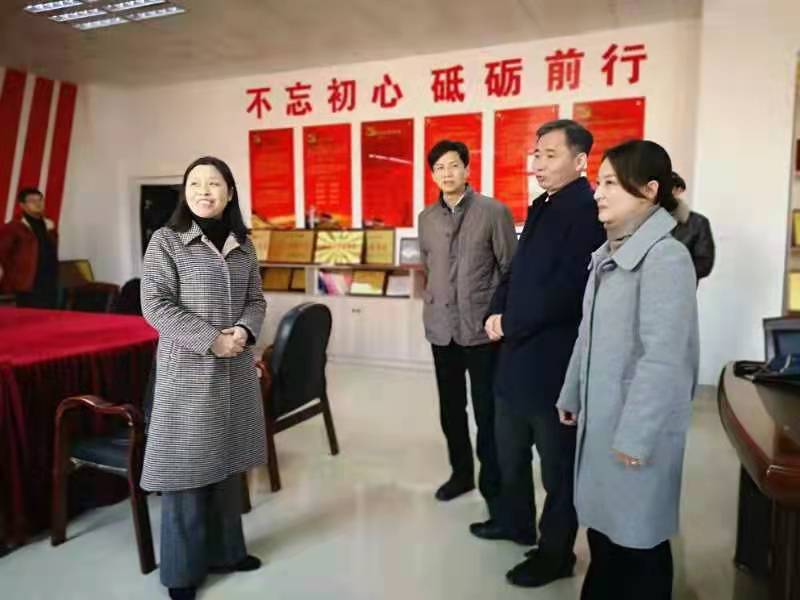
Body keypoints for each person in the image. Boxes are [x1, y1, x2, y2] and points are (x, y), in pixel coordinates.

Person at [557, 140, 699, 600]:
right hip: (603, 421)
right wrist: (571, 392)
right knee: (605, 532)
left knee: (640, 540)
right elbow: (587, 334)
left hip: (635, 427)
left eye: (611, 184)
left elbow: (664, 360)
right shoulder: (607, 255)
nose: (598, 193)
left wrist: (637, 435)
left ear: (649, 190)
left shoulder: (665, 259)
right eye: (599, 182)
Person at [470, 119, 605, 589]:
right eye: (536, 154)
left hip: (552, 364)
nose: (538, 164)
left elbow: (569, 291)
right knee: (508, 449)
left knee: (556, 468)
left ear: (580, 161)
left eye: (550, 154)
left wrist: (513, 322)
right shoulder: (542, 206)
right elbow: (516, 271)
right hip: (514, 358)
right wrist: (495, 309)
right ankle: (515, 523)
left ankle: (555, 554)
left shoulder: (587, 212)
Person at [140, 156, 267, 600]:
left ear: (230, 193)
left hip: (235, 369)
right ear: (185, 192)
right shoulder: (166, 241)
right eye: (195, 183)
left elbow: (256, 299)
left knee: (228, 463)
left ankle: (228, 552)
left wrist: (245, 330)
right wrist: (212, 340)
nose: (204, 191)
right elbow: (155, 305)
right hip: (189, 371)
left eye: (214, 183)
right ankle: (181, 572)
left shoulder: (243, 244)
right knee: (186, 469)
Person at [418, 140, 517, 513]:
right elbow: (430, 267)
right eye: (439, 168)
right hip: (441, 328)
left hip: (481, 330)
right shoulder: (426, 218)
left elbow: (510, 270)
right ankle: (460, 474)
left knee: (486, 410)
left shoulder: (493, 212)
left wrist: (500, 317)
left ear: (467, 169)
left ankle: (493, 482)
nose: (447, 173)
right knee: (451, 408)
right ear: (433, 174)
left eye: (453, 165)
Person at [0, 188, 59, 308]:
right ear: (22, 205)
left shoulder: (50, 226)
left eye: (40, 200)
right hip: (26, 286)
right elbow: (3, 254)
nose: (38, 203)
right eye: (32, 201)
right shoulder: (14, 227)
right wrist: (15, 276)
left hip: (49, 284)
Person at [669, 171, 715, 282]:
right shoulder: (642, 220)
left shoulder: (698, 223)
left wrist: (672, 272)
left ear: (678, 190)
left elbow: (704, 264)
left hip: (680, 288)